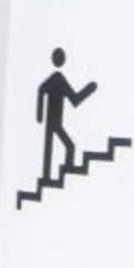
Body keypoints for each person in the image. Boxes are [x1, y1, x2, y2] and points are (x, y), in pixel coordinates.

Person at [35, 48, 96, 188]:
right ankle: (58, 173)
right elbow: (74, 99)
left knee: (53, 147)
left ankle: (52, 175)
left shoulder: (56, 78)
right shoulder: (58, 79)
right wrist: (39, 115)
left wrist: (88, 90)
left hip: (54, 121)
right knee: (66, 146)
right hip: (54, 121)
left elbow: (73, 100)